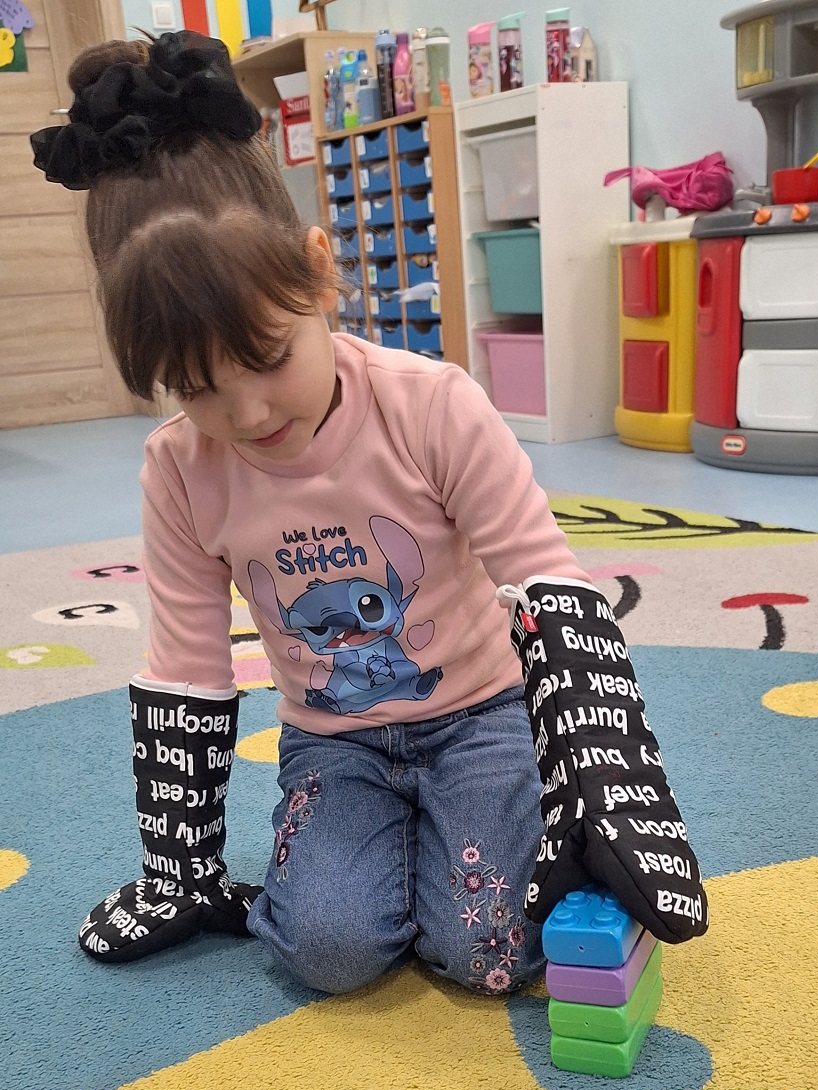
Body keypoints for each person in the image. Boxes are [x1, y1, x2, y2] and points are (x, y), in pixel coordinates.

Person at [33, 31, 707, 995]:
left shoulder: (430, 404)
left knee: (491, 950)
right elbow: (186, 668)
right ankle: (400, 847)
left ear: (317, 273)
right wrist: (179, 872)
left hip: (480, 713)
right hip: (333, 741)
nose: (247, 414)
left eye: (267, 358)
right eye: (196, 387)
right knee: (325, 952)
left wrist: (606, 786)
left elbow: (545, 582)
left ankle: (471, 828)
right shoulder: (179, 467)